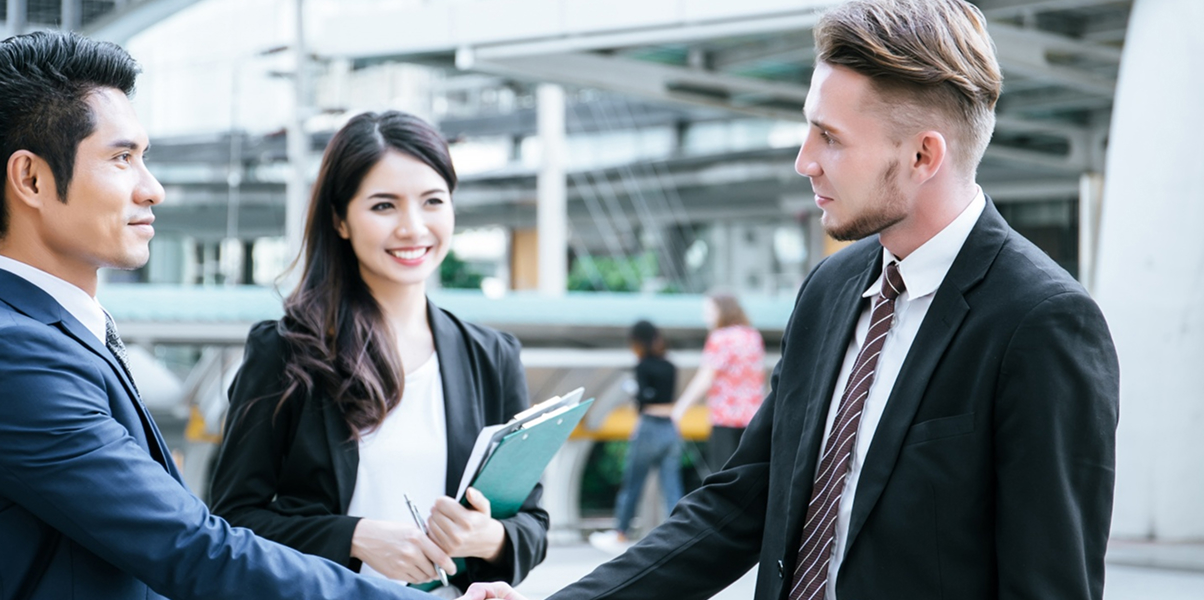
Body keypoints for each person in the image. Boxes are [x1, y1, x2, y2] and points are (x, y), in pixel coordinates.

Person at [468, 1, 1119, 599]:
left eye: (830, 138)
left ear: (924, 155)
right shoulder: (831, 288)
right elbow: (740, 503)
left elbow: (1049, 586)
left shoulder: (1043, 324)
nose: (804, 161)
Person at [0, 32, 438, 600]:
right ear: (32, 180)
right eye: (121, 159)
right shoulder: (12, 357)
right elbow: (193, 550)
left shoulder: (44, 335)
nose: (153, 189)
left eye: (145, 158)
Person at [208, 111, 548, 594]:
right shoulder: (286, 352)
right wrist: (356, 537)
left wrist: (488, 538)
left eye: (433, 201)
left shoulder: (492, 356)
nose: (413, 228)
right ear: (340, 220)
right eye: (384, 206)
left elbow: (531, 522)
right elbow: (231, 521)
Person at [588, 321, 683, 552]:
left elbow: (642, 401)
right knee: (672, 486)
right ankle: (681, 535)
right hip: (670, 426)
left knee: (633, 483)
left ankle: (621, 532)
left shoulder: (642, 366)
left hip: (649, 426)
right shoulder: (671, 366)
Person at [670, 293, 766, 470]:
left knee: (722, 475)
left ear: (722, 311)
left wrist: (680, 408)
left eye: (709, 311)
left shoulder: (720, 338)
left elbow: (705, 378)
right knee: (746, 473)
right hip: (752, 418)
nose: (705, 316)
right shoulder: (753, 336)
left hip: (725, 418)